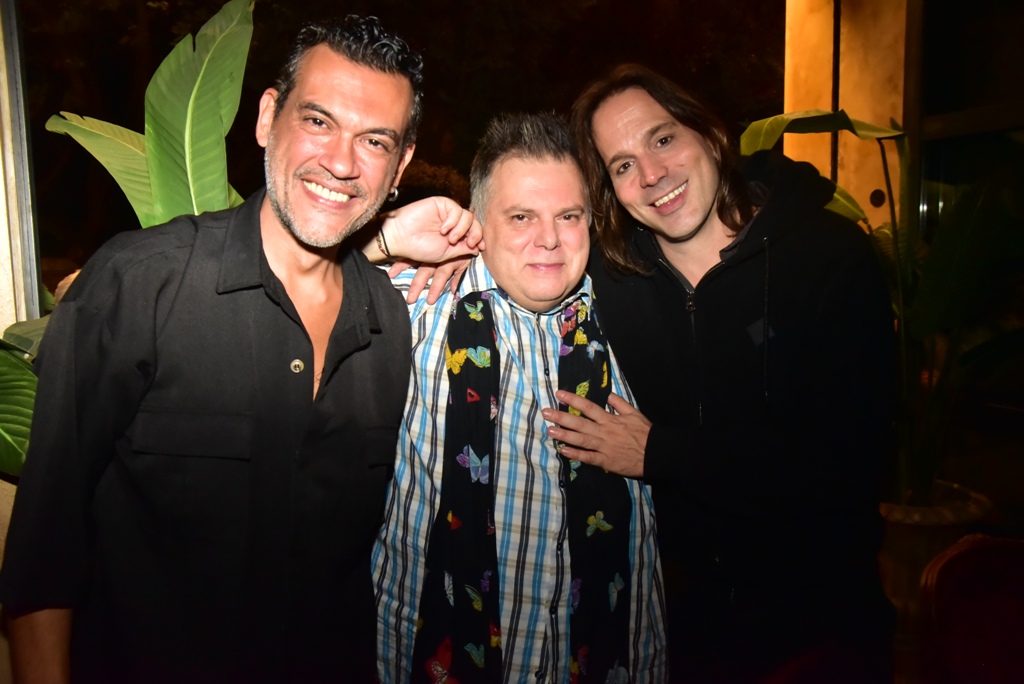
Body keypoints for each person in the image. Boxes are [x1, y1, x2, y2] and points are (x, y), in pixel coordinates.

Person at [0, 15, 476, 683]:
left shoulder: (391, 323)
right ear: (267, 118)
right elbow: (44, 555)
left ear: (399, 166)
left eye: (374, 141)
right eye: (318, 121)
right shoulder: (140, 285)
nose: (342, 162)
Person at [542, 64, 897, 682]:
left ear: (709, 133)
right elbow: (520, 249)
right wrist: (421, 250)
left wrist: (661, 453)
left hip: (821, 621)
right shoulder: (613, 277)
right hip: (680, 627)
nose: (651, 175)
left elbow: (856, 463)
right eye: (622, 165)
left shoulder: (828, 256)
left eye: (662, 139)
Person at [373, 112, 667, 684]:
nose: (549, 239)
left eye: (569, 216)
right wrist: (379, 240)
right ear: (478, 222)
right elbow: (278, 291)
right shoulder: (409, 308)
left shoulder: (632, 323)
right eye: (521, 217)